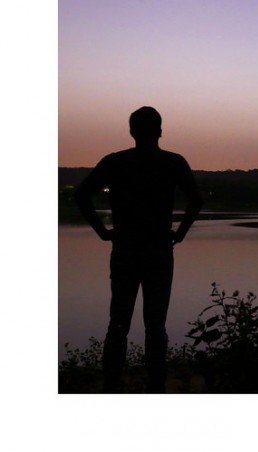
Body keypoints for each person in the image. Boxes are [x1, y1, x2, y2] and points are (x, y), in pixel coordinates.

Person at [75, 106, 203, 393]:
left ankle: (111, 384)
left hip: (125, 251)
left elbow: (81, 195)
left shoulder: (115, 162)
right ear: (160, 130)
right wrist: (180, 233)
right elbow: (196, 199)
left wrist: (102, 232)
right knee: (155, 325)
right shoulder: (173, 162)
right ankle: (156, 385)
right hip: (159, 250)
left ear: (132, 131)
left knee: (118, 323)